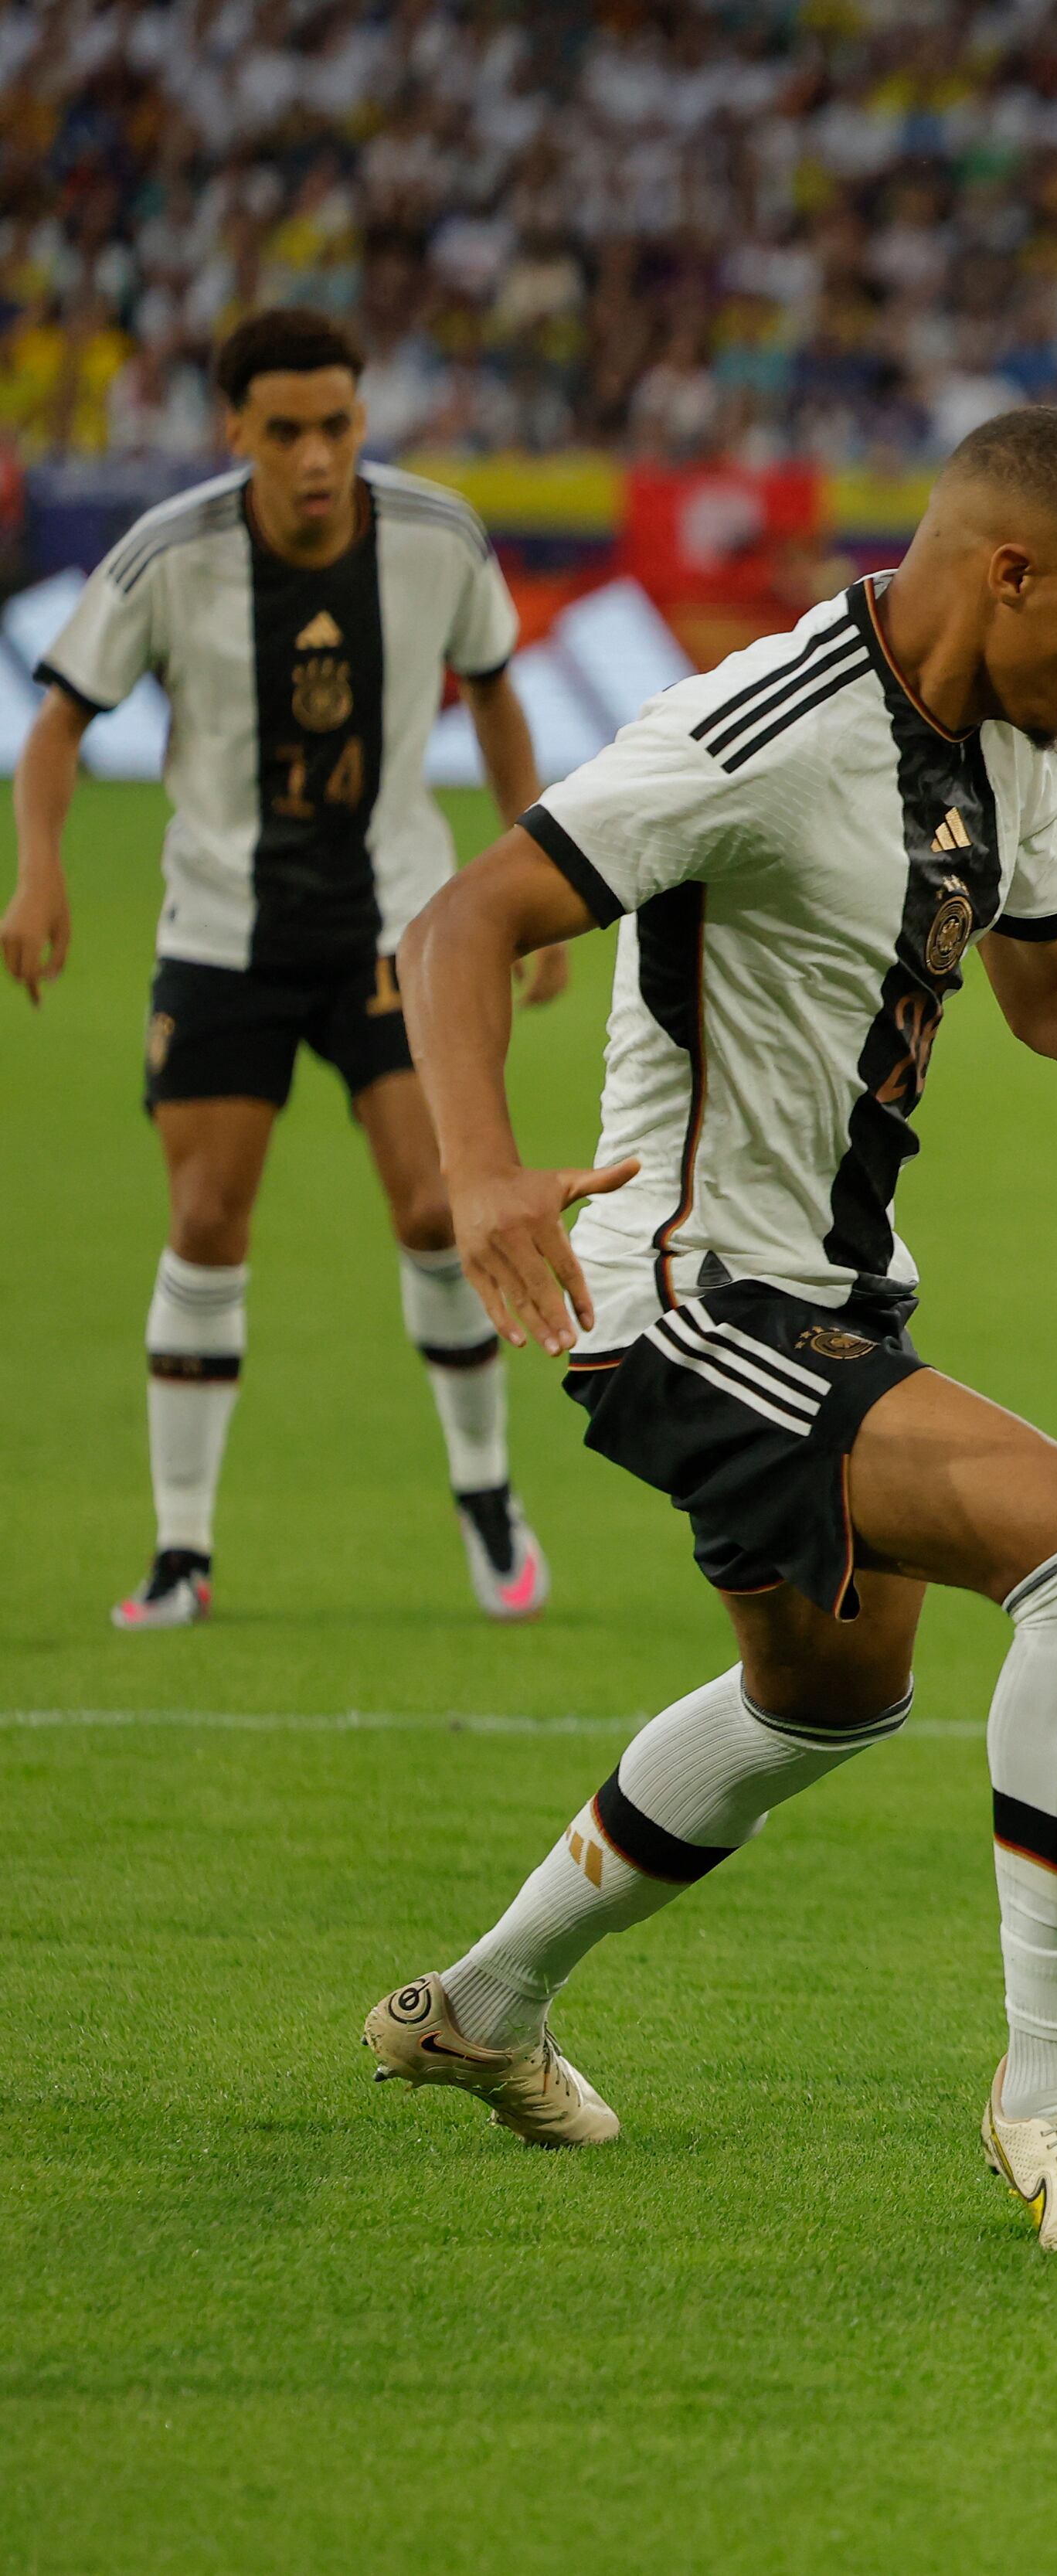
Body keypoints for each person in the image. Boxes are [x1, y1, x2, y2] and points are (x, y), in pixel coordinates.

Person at [355, 408, 1057, 2261]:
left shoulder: (1018, 745)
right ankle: (1051, 2097)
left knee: (824, 1696)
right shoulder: (758, 726)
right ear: (1007, 572)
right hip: (689, 1294)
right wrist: (475, 1167)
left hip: (835, 1298)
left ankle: (483, 2004)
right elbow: (465, 917)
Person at [8, 308, 566, 1631]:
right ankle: (182, 1550)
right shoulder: (170, 554)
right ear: (236, 432)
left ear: (361, 423)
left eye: (337, 427)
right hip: (222, 934)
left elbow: (493, 691)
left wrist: (534, 869)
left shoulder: (436, 537)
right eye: (286, 432)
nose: (316, 456)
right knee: (206, 1221)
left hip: (397, 925)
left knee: (438, 1208)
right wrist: (39, 866)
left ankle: (487, 1498)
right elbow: (54, 727)